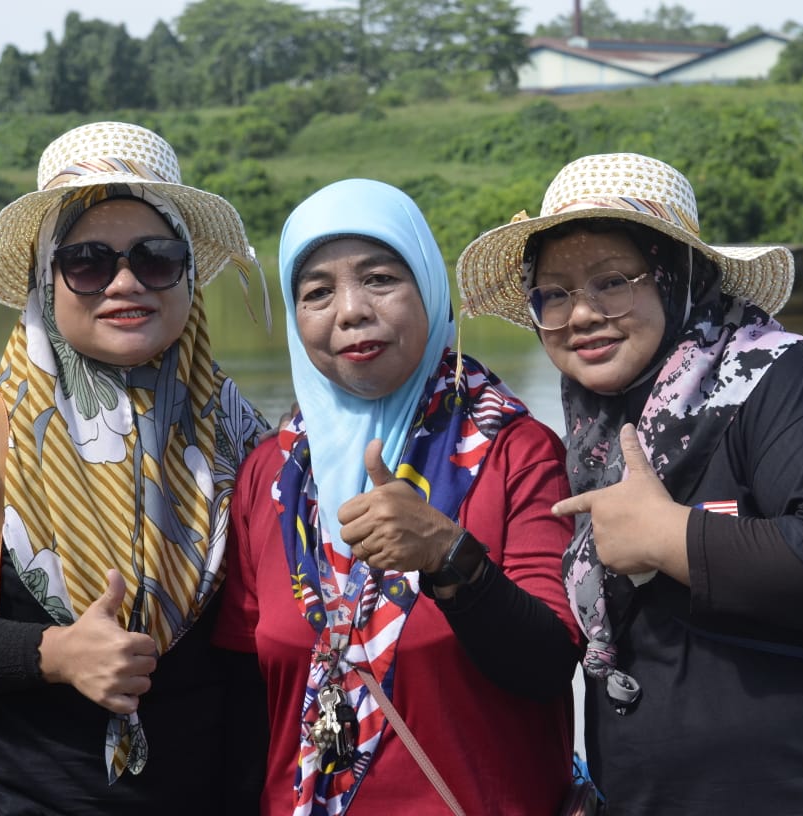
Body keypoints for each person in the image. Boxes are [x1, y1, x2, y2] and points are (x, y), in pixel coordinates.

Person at [455, 152, 803, 814]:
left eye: (612, 281)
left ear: (679, 276)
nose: (581, 313)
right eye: (555, 294)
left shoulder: (793, 382)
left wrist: (673, 537)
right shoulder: (598, 434)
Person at [0, 121, 270, 814]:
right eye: (86, 261)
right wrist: (53, 653)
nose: (125, 283)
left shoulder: (243, 439)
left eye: (156, 258)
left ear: (188, 274)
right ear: (45, 279)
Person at [213, 178, 581, 815]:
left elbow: (547, 666)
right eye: (317, 292)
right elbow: (243, 703)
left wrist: (450, 555)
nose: (351, 311)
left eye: (380, 278)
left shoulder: (516, 455)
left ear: (430, 288)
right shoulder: (272, 477)